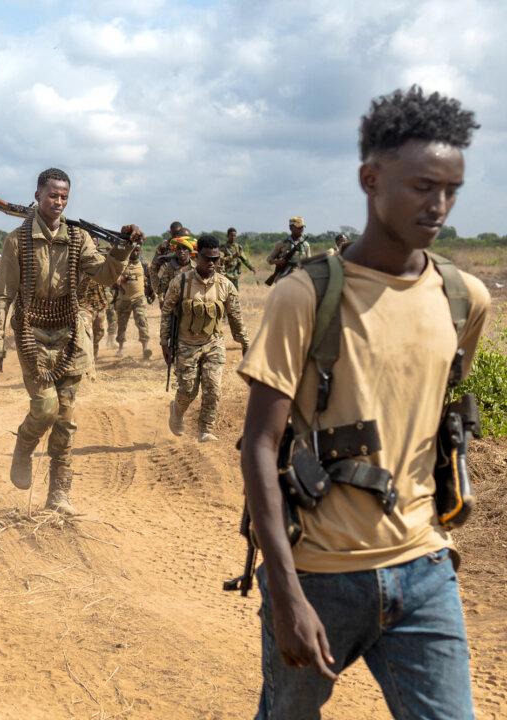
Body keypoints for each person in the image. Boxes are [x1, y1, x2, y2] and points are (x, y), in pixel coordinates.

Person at [238, 86, 487, 719]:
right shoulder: (305, 296)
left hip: (426, 567)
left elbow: (435, 418)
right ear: (370, 180)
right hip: (318, 574)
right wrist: (286, 592)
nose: (439, 206)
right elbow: (261, 446)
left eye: (451, 190)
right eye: (422, 186)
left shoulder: (464, 298)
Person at [0, 168, 140, 513]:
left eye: (64, 197)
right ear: (38, 195)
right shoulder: (17, 240)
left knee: (66, 420)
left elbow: (104, 274)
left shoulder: (79, 237)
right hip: (32, 334)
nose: (58, 202)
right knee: (44, 408)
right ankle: (25, 445)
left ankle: (59, 494)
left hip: (70, 335)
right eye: (53, 195)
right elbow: (0, 296)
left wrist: (122, 250)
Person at [160, 235, 248, 442]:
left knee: (213, 389)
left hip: (213, 343)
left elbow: (236, 317)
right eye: (207, 259)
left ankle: (205, 429)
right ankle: (177, 411)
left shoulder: (225, 285)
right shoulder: (180, 282)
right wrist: (164, 342)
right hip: (186, 344)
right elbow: (167, 312)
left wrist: (245, 342)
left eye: (215, 259)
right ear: (196, 256)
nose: (211, 263)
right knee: (188, 391)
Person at [115, 246, 152, 359]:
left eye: (137, 250)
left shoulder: (144, 265)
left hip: (139, 299)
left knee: (142, 322)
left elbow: (150, 278)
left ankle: (145, 348)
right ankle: (121, 348)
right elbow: (113, 280)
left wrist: (151, 293)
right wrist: (121, 280)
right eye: (133, 250)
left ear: (140, 251)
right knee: (121, 325)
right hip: (123, 299)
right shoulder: (121, 263)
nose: (135, 252)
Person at [266, 216, 311, 281]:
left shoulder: (306, 245)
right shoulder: (281, 244)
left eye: (302, 227)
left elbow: (309, 263)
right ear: (291, 228)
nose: (301, 229)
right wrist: (279, 262)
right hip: (283, 279)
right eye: (299, 227)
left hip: (300, 279)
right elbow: (269, 260)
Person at [154, 232, 195, 298]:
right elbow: (162, 287)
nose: (181, 251)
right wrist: (161, 300)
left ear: (189, 251)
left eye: (184, 249)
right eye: (179, 248)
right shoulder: (170, 267)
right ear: (176, 251)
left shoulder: (195, 267)